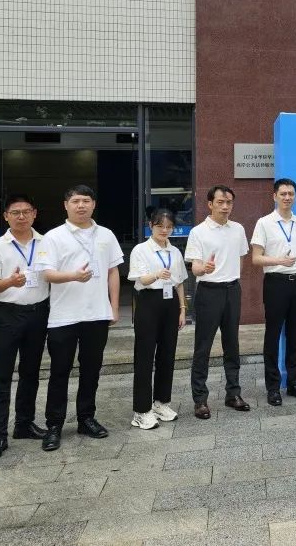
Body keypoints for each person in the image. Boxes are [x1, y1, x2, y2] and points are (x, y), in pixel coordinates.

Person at [35, 185, 124, 451]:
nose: (81, 205)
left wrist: (114, 306)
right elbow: (46, 274)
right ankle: (54, 425)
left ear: (94, 204)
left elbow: (113, 272)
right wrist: (73, 276)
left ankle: (86, 418)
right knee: (59, 372)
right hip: (63, 317)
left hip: (96, 314)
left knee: (91, 370)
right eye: (75, 201)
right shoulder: (53, 237)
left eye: (86, 200)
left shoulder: (106, 234)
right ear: (66, 205)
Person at [0, 194, 50, 461]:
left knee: (31, 371)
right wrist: (10, 282)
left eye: (26, 211)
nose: (21, 216)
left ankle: (24, 424)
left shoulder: (47, 243)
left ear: (34, 214)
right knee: (1, 375)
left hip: (38, 312)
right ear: (6, 216)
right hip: (7, 314)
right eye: (15, 212)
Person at [184, 185, 249, 418]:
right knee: (203, 347)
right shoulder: (198, 232)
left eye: (229, 202)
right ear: (210, 204)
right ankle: (200, 399)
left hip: (232, 290)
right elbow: (194, 267)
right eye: (220, 202)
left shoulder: (238, 229)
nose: (225, 206)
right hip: (208, 292)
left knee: (232, 344)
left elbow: (241, 259)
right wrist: (205, 268)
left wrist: (231, 277)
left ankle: (233, 394)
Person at [251, 178, 296, 406]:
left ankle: (294, 383)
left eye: (291, 194)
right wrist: (279, 261)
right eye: (283, 194)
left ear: (295, 196)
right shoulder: (264, 223)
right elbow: (256, 258)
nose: (287, 197)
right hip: (276, 284)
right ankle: (273, 387)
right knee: (273, 336)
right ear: (274, 196)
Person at [126, 208, 188, 429]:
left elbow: (179, 282)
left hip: (170, 303)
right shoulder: (141, 250)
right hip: (148, 302)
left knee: (167, 355)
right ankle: (141, 410)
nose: (164, 230)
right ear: (150, 226)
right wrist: (156, 275)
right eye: (160, 226)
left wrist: (182, 309)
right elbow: (141, 279)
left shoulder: (175, 252)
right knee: (144, 356)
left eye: (169, 226)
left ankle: (161, 402)